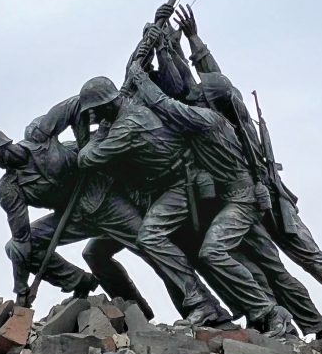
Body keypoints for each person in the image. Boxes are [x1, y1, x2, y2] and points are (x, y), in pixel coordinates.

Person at [171, 5, 322, 340]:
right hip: (247, 203)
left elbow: (215, 82)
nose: (197, 99)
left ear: (215, 103)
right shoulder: (213, 117)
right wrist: (180, 43)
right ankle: (317, 326)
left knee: (314, 261)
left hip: (273, 200)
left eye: (203, 98)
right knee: (275, 271)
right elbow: (197, 84)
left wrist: (192, 43)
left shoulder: (236, 119)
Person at [126, 58, 299, 338]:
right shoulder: (211, 117)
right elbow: (182, 84)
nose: (193, 92)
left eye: (200, 92)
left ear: (208, 100)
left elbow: (165, 105)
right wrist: (167, 48)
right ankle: (264, 314)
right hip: (232, 198)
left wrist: (139, 78)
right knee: (243, 260)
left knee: (214, 252)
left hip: (242, 200)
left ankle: (271, 311)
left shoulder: (207, 120)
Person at [0, 101, 159, 319]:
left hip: (104, 198)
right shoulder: (9, 189)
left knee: (151, 245)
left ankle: (196, 303)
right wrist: (21, 288)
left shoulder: (39, 134)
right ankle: (80, 281)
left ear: (5, 143)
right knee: (14, 248)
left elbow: (75, 105)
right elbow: (21, 240)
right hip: (74, 218)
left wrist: (85, 144)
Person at [74, 72, 226, 327]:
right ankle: (135, 313)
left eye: (95, 111)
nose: (93, 117)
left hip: (180, 185)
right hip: (153, 191)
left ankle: (203, 303)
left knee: (150, 236)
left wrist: (99, 134)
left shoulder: (128, 124)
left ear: (108, 105)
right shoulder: (124, 111)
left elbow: (87, 158)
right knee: (94, 251)